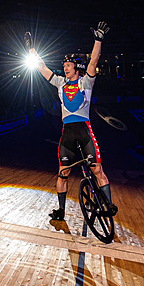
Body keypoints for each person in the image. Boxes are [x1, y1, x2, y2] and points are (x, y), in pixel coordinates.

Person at [26, 21, 117, 221]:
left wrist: (98, 40)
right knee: (62, 173)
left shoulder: (86, 81)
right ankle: (60, 211)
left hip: (84, 131)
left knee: (97, 170)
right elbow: (41, 67)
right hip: (67, 133)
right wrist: (31, 49)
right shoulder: (59, 82)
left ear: (76, 67)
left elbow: (93, 61)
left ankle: (108, 205)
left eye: (68, 65)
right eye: (64, 66)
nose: (65, 68)